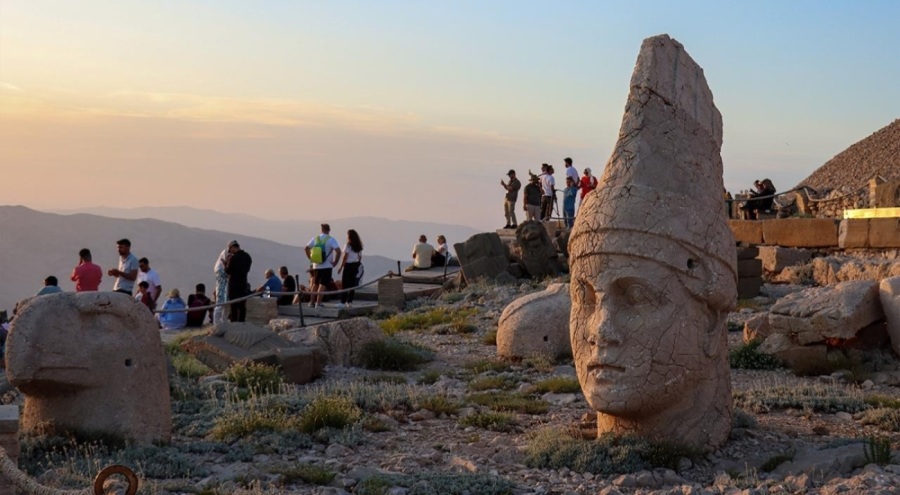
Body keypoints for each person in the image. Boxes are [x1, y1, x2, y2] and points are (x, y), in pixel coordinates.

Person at [304, 224, 342, 308]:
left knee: (315, 284)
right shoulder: (331, 239)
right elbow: (338, 251)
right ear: (329, 230)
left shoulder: (315, 238)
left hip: (316, 265)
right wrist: (335, 262)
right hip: (327, 265)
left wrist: (310, 258)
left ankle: (311, 302)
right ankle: (318, 303)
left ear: (321, 230)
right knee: (323, 284)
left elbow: (306, 248)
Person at [225, 240, 252, 322]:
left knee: (233, 305)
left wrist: (226, 263)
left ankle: (234, 323)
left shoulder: (233, 258)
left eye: (230, 250)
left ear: (233, 247)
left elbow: (228, 271)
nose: (231, 252)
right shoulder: (247, 256)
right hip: (243, 283)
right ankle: (242, 322)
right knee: (242, 305)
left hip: (233, 285)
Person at [337, 229, 363, 307]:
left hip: (348, 265)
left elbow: (345, 256)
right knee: (352, 284)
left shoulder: (348, 245)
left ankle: (343, 301)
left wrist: (341, 267)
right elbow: (360, 257)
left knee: (345, 283)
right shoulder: (359, 245)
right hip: (355, 265)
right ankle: (350, 301)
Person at [213, 246, 230, 324]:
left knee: (227, 306)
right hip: (221, 289)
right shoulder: (219, 267)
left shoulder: (226, 266)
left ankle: (224, 322)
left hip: (228, 288)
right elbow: (226, 275)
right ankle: (216, 323)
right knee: (219, 306)